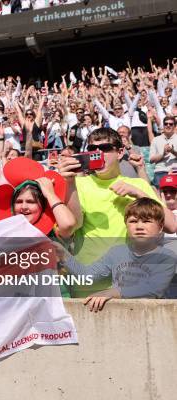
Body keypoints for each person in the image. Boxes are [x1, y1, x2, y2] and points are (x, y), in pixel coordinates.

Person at [58, 127, 177, 297]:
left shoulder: (138, 185)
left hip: (130, 283)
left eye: (105, 149)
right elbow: (72, 226)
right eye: (92, 149)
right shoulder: (77, 184)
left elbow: (172, 226)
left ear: (120, 152)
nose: (98, 154)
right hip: (88, 281)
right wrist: (69, 183)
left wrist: (138, 194)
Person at [57, 198, 177, 311]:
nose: (139, 227)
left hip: (154, 318)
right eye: (133, 221)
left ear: (160, 227)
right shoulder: (117, 252)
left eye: (147, 221)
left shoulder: (167, 256)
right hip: (119, 315)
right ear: (126, 225)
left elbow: (153, 289)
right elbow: (88, 275)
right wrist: (62, 254)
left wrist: (112, 293)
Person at [149, 116, 177, 187]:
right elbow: (151, 160)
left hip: (175, 171)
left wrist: (173, 151)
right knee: (159, 196)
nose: (168, 125)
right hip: (160, 171)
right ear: (163, 125)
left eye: (171, 124)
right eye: (166, 124)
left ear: (174, 126)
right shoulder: (156, 140)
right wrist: (163, 154)